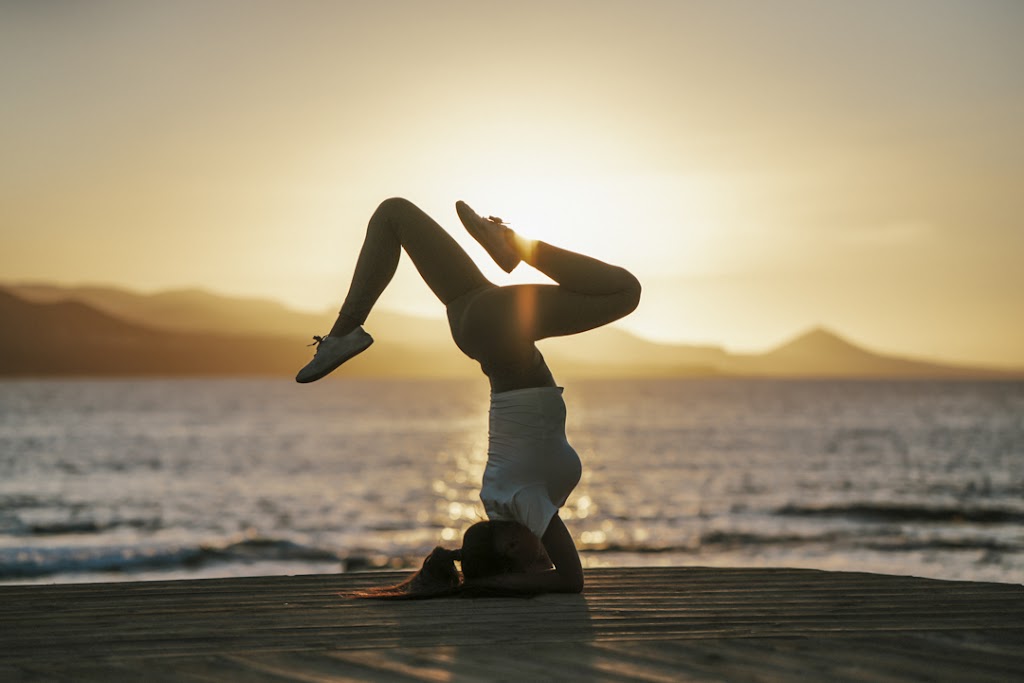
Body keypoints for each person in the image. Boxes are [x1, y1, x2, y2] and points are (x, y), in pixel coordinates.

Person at [297, 198, 641, 597]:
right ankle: (344, 331)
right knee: (394, 215)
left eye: (537, 559)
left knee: (624, 292)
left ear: (512, 547)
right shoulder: (502, 503)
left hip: (497, 327)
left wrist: (480, 587)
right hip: (473, 319)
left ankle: (515, 246)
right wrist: (479, 580)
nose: (547, 559)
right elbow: (551, 571)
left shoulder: (524, 509)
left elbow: (570, 580)